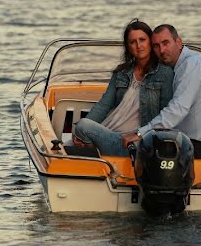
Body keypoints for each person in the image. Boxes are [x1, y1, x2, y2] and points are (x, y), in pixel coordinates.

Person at [123, 24, 201, 157]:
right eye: (156, 46)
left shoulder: (191, 65)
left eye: (166, 43)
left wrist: (140, 133)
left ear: (178, 42)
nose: (162, 50)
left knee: (146, 152)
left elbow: (177, 109)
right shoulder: (178, 66)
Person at [72, 19, 174, 156]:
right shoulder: (121, 72)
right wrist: (80, 134)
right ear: (128, 47)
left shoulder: (165, 73)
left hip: (133, 142)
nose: (139, 45)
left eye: (142, 39)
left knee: (82, 127)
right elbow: (103, 105)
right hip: (108, 134)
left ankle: (93, 151)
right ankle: (92, 148)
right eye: (133, 42)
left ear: (150, 41)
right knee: (78, 132)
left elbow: (165, 114)